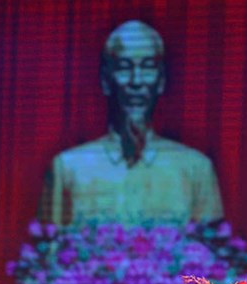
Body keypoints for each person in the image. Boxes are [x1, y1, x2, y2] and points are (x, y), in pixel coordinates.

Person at [40, 20, 223, 226]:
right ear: (105, 81)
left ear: (161, 81)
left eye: (147, 68)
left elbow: (214, 251)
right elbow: (49, 251)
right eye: (124, 68)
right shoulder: (68, 168)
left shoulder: (196, 169)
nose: (136, 81)